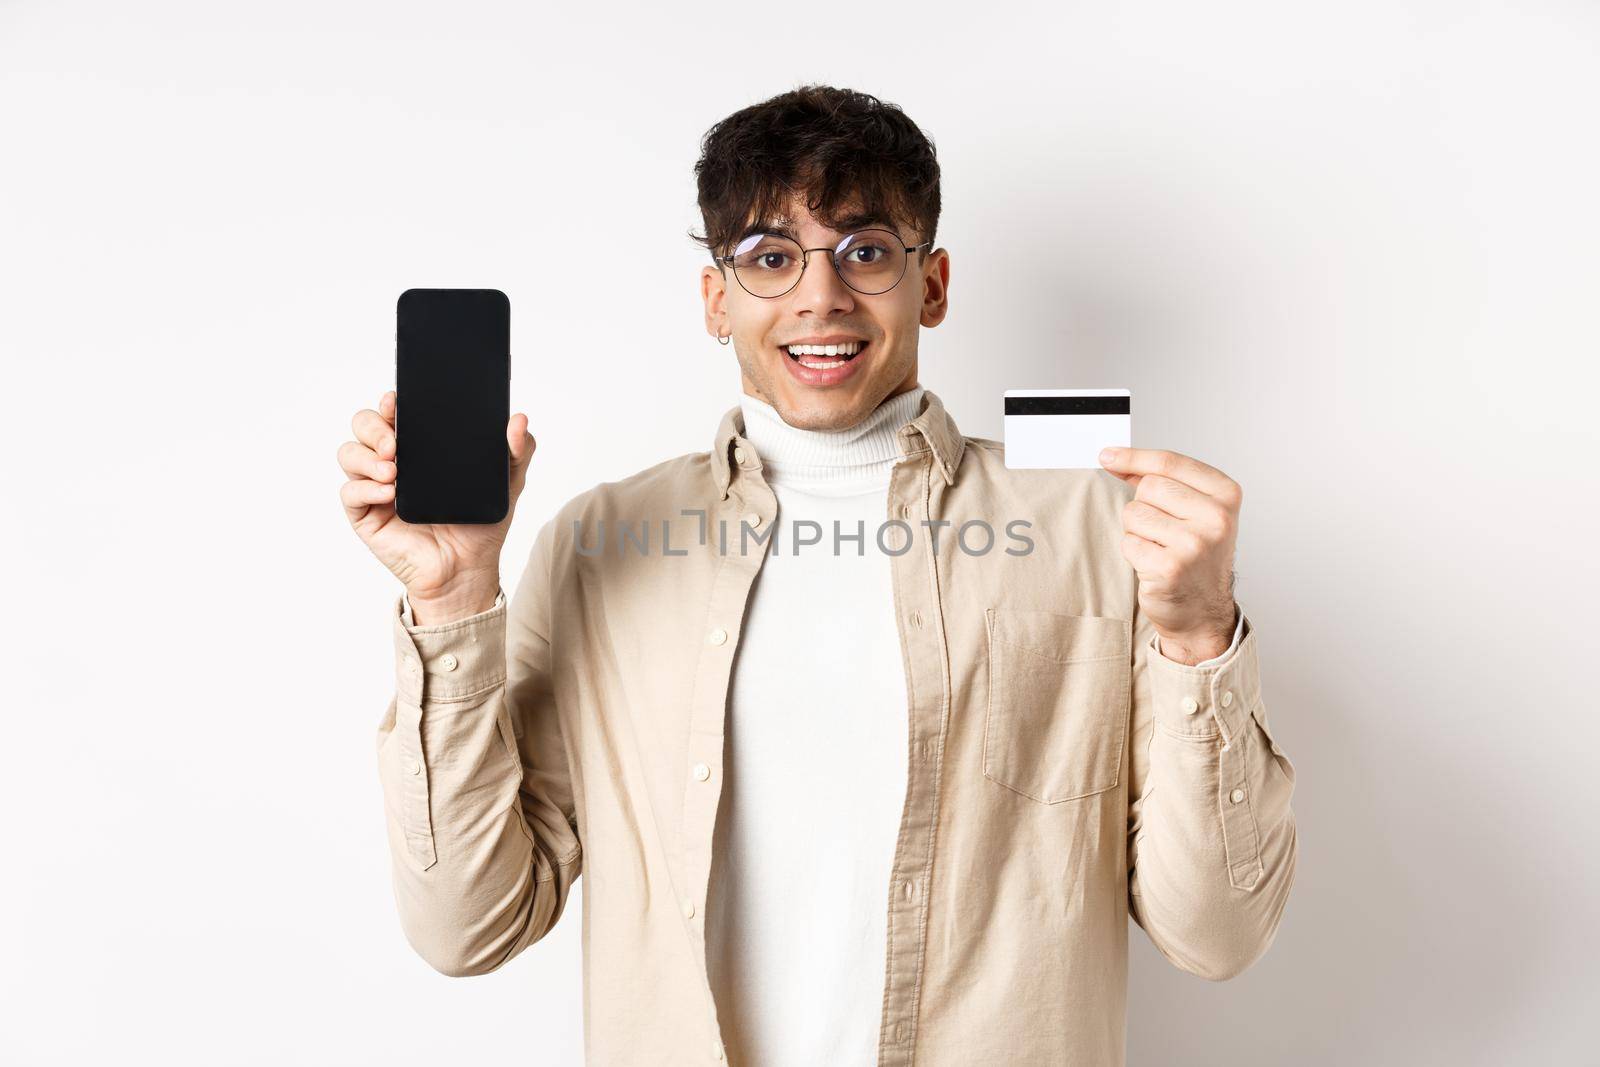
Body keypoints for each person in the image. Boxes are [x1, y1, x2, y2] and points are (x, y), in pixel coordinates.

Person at [337, 84, 1297, 1067]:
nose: (820, 296)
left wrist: (1197, 635)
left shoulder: (1099, 523)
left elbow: (1215, 932)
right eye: (769, 257)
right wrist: (452, 600)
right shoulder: (602, 540)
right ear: (717, 300)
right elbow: (470, 924)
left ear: (932, 284)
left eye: (866, 250)